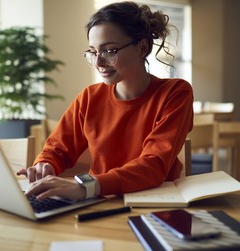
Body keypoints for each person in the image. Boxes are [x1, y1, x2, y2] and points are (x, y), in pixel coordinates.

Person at [18, 1, 193, 201]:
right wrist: (44, 165)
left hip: (156, 205)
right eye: (93, 52)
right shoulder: (89, 97)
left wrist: (86, 186)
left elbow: (152, 165)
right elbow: (56, 150)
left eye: (110, 51)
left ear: (142, 47)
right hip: (100, 202)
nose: (99, 62)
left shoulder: (175, 93)